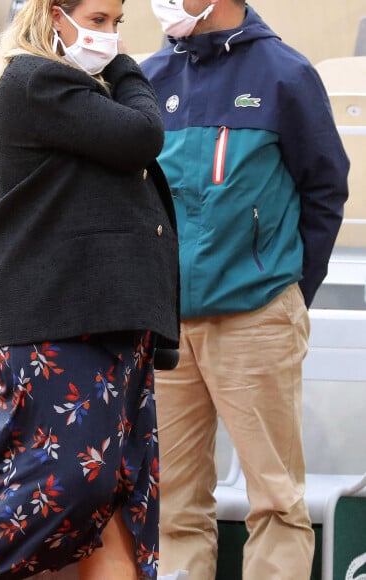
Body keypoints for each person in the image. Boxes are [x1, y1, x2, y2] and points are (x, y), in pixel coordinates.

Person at [0, 0, 180, 578]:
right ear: (55, 15)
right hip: (60, 320)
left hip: (111, 320)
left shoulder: (77, 91)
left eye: (118, 24)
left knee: (119, 491)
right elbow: (143, 133)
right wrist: (126, 67)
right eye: (99, 20)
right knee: (58, 483)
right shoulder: (36, 78)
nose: (110, 34)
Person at [141, 1, 349, 579]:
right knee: (173, 505)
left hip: (257, 317)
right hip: (167, 329)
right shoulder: (149, 77)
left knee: (277, 500)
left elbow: (326, 189)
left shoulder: (286, 74)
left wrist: (285, 292)